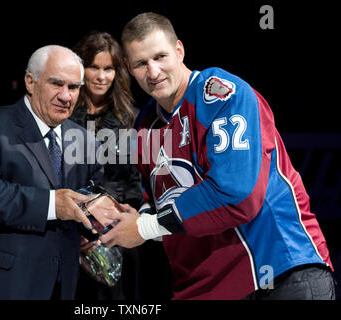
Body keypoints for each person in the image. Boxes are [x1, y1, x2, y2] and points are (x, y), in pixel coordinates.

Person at [100, 12, 335, 300]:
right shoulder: (146, 124)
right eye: (141, 63)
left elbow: (237, 195)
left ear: (179, 51)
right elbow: (171, 209)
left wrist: (145, 227)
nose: (153, 72)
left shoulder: (220, 94)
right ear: (128, 68)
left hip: (276, 272)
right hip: (205, 287)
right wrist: (133, 220)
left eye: (160, 57)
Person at [0, 45, 103, 300]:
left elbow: (91, 192)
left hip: (63, 284)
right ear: (30, 82)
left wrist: (100, 222)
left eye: (74, 87)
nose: (66, 96)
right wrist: (52, 204)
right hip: (0, 285)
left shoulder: (85, 140)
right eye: (57, 84)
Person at [70, 31, 145, 300]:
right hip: (69, 231)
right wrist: (78, 229)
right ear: (80, 68)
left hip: (115, 232)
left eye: (108, 69)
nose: (101, 77)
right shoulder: (63, 114)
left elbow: (134, 183)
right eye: (94, 67)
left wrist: (113, 226)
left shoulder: (130, 119)